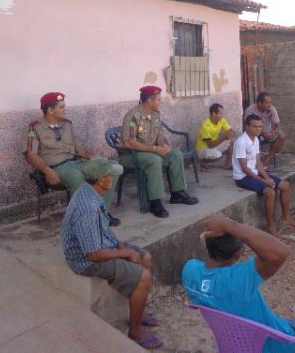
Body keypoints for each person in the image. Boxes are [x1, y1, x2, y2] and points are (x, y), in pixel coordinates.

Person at [182, 213, 295, 353]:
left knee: (289, 322)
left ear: (207, 242)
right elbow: (281, 251)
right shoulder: (239, 278)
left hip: (235, 344)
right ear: (238, 254)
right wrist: (229, 225)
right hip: (277, 345)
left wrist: (226, 226)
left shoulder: (189, 270)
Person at [60, 159, 163, 350]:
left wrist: (119, 244)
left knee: (145, 257)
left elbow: (103, 228)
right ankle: (135, 331)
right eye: (111, 176)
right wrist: (124, 252)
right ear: (101, 180)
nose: (113, 178)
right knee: (144, 276)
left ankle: (137, 311)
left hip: (100, 246)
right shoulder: (87, 209)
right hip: (84, 260)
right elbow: (92, 254)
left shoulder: (91, 191)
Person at [23, 92, 121, 225]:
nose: (65, 109)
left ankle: (102, 212)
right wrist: (47, 171)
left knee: (112, 167)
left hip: (76, 162)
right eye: (61, 107)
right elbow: (31, 155)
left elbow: (78, 148)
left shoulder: (67, 124)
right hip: (56, 168)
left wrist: (93, 157)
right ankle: (82, 219)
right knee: (76, 176)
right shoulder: (34, 127)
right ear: (50, 110)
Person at [120, 85, 198, 218]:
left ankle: (177, 193)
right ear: (149, 101)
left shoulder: (155, 114)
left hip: (150, 151)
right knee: (155, 160)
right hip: (132, 155)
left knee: (175, 154)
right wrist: (155, 149)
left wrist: (163, 145)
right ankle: (155, 202)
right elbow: (130, 143)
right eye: (159, 99)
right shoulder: (133, 117)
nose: (160, 102)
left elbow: (159, 134)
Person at [233, 114, 295, 241]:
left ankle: (286, 218)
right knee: (270, 192)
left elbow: (258, 163)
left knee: (285, 185)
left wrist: (266, 177)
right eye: (254, 126)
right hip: (242, 177)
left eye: (259, 126)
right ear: (246, 127)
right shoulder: (241, 142)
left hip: (254, 172)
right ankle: (271, 227)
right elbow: (244, 168)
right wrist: (264, 181)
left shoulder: (256, 139)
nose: (258, 129)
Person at [244, 92, 287, 168]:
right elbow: (247, 127)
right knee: (249, 137)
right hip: (255, 133)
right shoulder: (250, 110)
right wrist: (262, 133)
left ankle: (268, 158)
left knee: (282, 136)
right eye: (267, 103)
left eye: (270, 102)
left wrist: (274, 132)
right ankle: (255, 159)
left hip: (268, 133)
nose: (269, 105)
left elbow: (278, 125)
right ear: (259, 103)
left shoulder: (271, 109)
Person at [195, 103, 235, 171]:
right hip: (202, 148)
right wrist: (223, 137)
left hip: (215, 145)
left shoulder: (221, 120)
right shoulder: (206, 126)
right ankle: (203, 162)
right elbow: (210, 145)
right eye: (220, 113)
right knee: (218, 156)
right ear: (214, 114)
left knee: (231, 141)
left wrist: (231, 134)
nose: (222, 116)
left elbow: (232, 131)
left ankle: (228, 165)